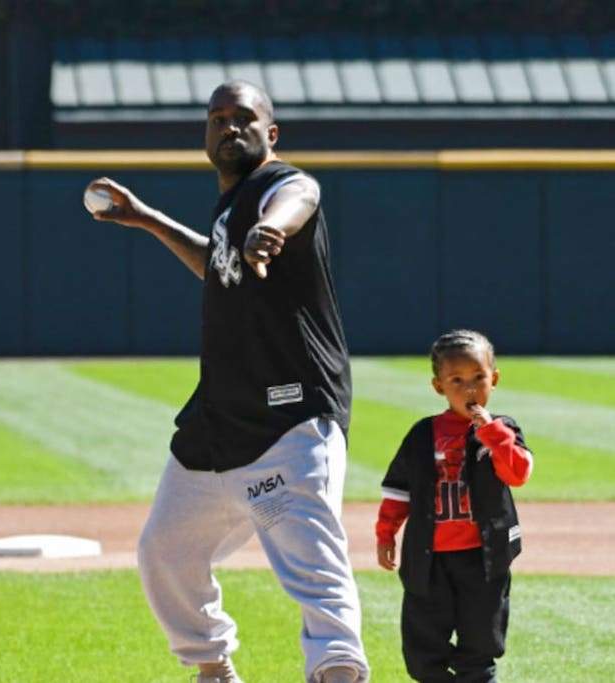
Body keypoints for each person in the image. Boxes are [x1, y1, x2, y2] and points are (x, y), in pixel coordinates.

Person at [85, 81, 369, 683]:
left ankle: (338, 672)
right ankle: (212, 668)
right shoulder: (231, 203)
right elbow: (220, 269)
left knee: (313, 567)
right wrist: (147, 219)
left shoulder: (280, 185)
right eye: (217, 118)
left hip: (287, 417)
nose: (228, 126)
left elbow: (298, 199)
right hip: (219, 421)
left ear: (272, 133)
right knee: (167, 552)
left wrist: (273, 230)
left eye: (243, 117)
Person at [375, 330, 533, 683]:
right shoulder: (422, 434)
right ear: (438, 386)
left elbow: (518, 473)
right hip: (429, 561)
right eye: (456, 380)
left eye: (479, 378)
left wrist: (491, 432)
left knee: (479, 649)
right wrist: (385, 534)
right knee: (421, 654)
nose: (470, 389)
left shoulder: (503, 429)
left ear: (494, 378)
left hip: (483, 559)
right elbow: (398, 492)